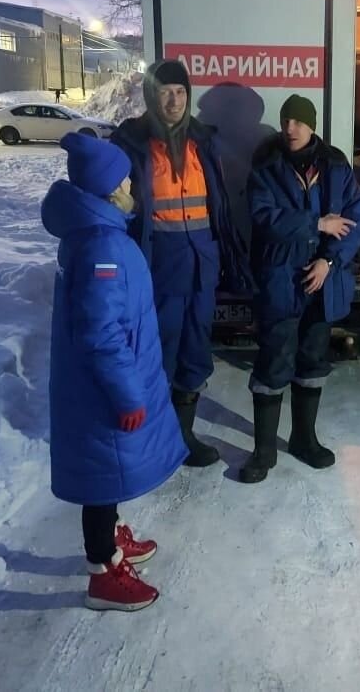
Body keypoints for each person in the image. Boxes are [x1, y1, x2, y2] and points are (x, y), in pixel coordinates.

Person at [41, 132, 188, 611]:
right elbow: (102, 334)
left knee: (107, 471)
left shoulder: (94, 232)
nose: (132, 186)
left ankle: (111, 538)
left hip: (95, 386)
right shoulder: (103, 246)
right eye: (125, 180)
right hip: (104, 390)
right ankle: (103, 570)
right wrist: (128, 395)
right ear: (109, 190)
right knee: (102, 474)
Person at [111, 60, 251, 467]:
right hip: (160, 265)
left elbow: (217, 204)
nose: (173, 100)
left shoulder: (202, 142)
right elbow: (114, 199)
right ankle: (153, 440)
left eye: (180, 92)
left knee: (195, 351)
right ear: (152, 96)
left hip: (201, 263)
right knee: (159, 353)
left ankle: (183, 435)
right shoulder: (131, 143)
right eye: (165, 91)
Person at [241, 94, 360, 484]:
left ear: (312, 125)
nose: (290, 128)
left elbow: (355, 219)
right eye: (286, 121)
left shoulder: (336, 166)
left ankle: (303, 439)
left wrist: (330, 262)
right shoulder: (265, 166)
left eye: (298, 121)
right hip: (281, 279)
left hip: (323, 282)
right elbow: (264, 218)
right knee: (274, 359)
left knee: (313, 359)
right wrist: (316, 223)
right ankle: (263, 451)